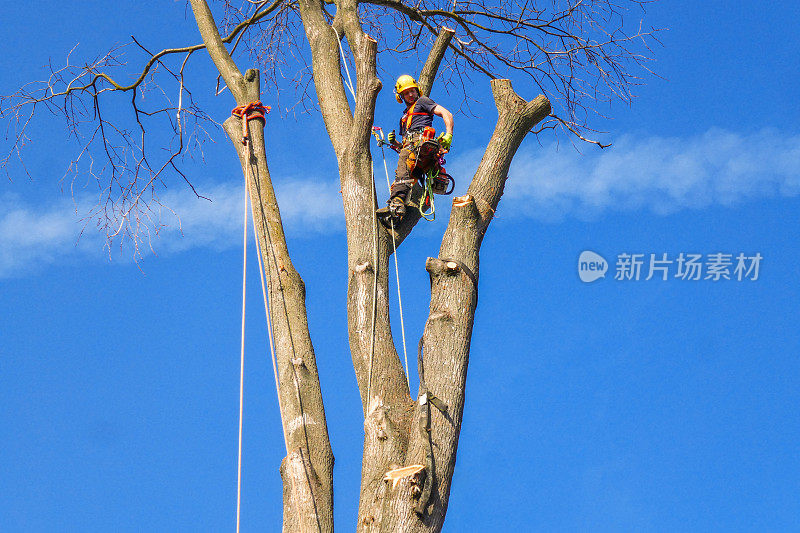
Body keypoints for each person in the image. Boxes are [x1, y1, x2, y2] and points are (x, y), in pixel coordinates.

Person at [385, 74, 453, 219]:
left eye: (412, 91)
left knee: (403, 166)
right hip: (412, 151)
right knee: (405, 171)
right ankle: (399, 211)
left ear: (417, 91)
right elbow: (404, 144)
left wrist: (449, 134)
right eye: (406, 93)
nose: (410, 94)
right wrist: (395, 143)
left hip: (421, 144)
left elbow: (446, 113)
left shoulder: (423, 102)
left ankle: (397, 201)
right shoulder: (404, 118)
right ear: (401, 96)